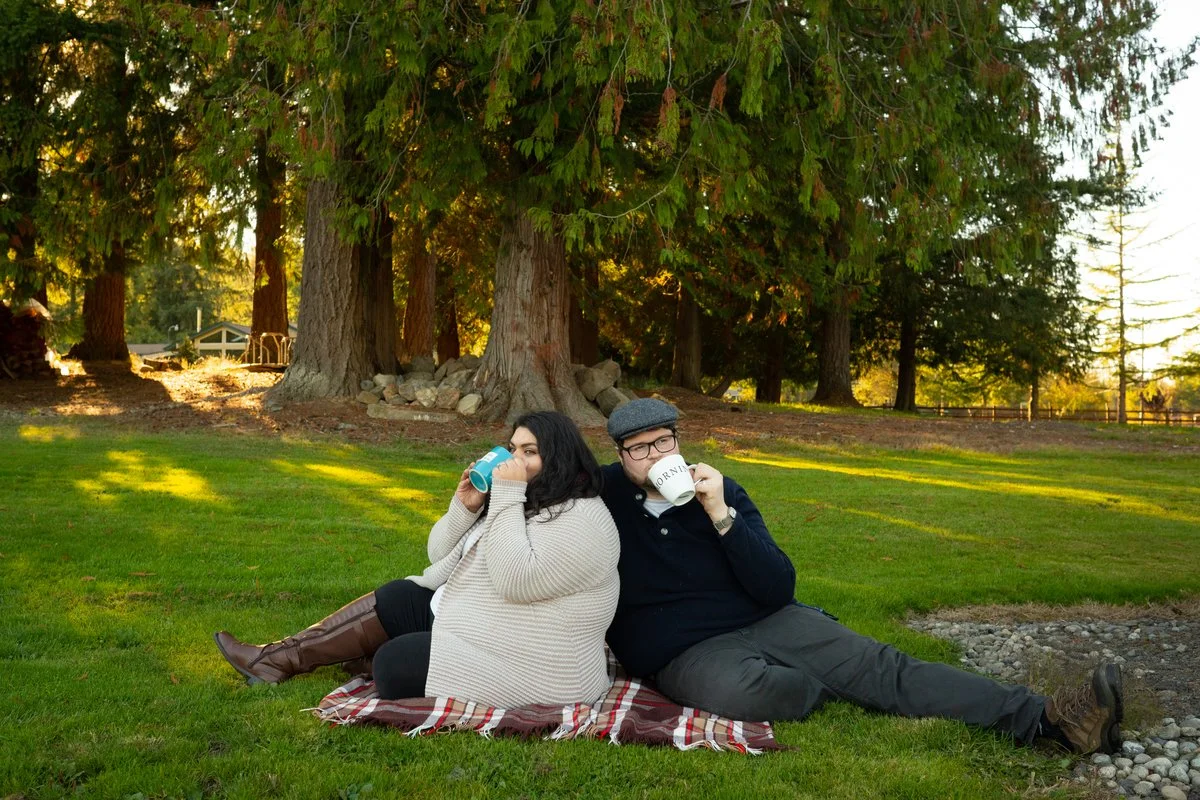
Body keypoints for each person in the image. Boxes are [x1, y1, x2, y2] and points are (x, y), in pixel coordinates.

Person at [599, 397, 1123, 755]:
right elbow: (552, 467)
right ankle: (822, 687)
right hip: (687, 650)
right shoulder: (600, 497)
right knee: (743, 694)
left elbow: (777, 586)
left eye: (664, 442)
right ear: (620, 455)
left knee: (883, 667)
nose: (655, 456)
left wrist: (720, 515)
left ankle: (1049, 720)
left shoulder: (720, 490)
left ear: (678, 442)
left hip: (767, 617)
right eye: (639, 449)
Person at [214, 411, 620, 707]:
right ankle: (276, 659)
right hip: (492, 626)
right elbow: (438, 555)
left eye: (529, 452)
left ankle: (363, 655)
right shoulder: (528, 499)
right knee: (400, 596)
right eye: (512, 449)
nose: (515, 461)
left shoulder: (583, 519)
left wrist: (507, 497)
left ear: (559, 459)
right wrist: (466, 506)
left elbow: (515, 580)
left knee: (393, 666)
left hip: (537, 664)